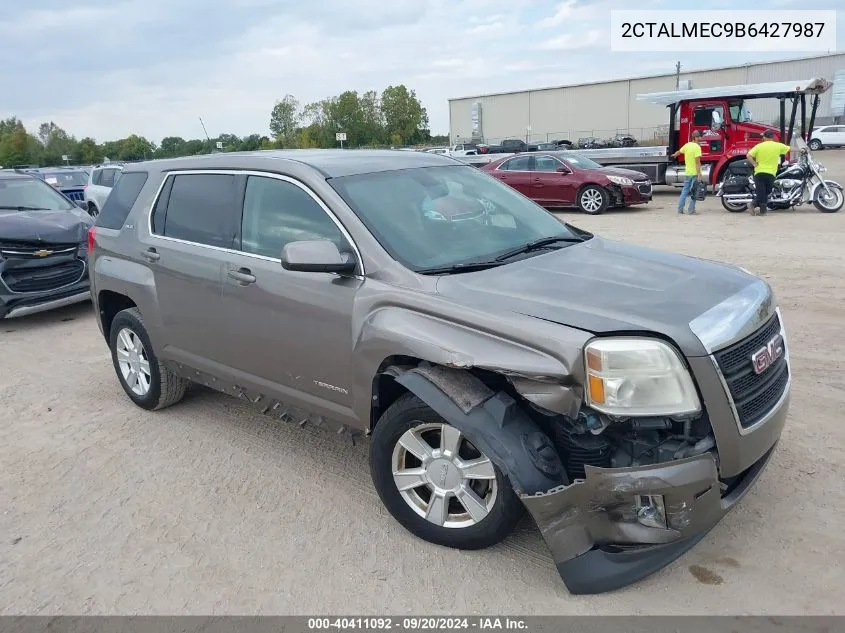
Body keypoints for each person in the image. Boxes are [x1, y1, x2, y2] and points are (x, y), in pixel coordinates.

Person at [746, 129, 791, 216]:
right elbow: (789, 148)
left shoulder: (759, 146)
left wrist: (754, 164)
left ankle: (753, 204)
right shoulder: (778, 146)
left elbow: (748, 155)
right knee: (766, 192)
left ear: (765, 137)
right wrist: (802, 149)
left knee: (762, 192)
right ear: (772, 137)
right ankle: (761, 211)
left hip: (759, 173)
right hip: (771, 174)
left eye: (763, 136)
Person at [671, 130, 703, 215]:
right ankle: (691, 210)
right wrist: (699, 174)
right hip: (694, 173)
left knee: (684, 191)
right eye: (700, 136)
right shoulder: (697, 147)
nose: (701, 138)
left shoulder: (687, 145)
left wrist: (675, 154)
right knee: (694, 192)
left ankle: (680, 210)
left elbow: (679, 152)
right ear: (696, 138)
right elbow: (697, 162)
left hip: (687, 173)